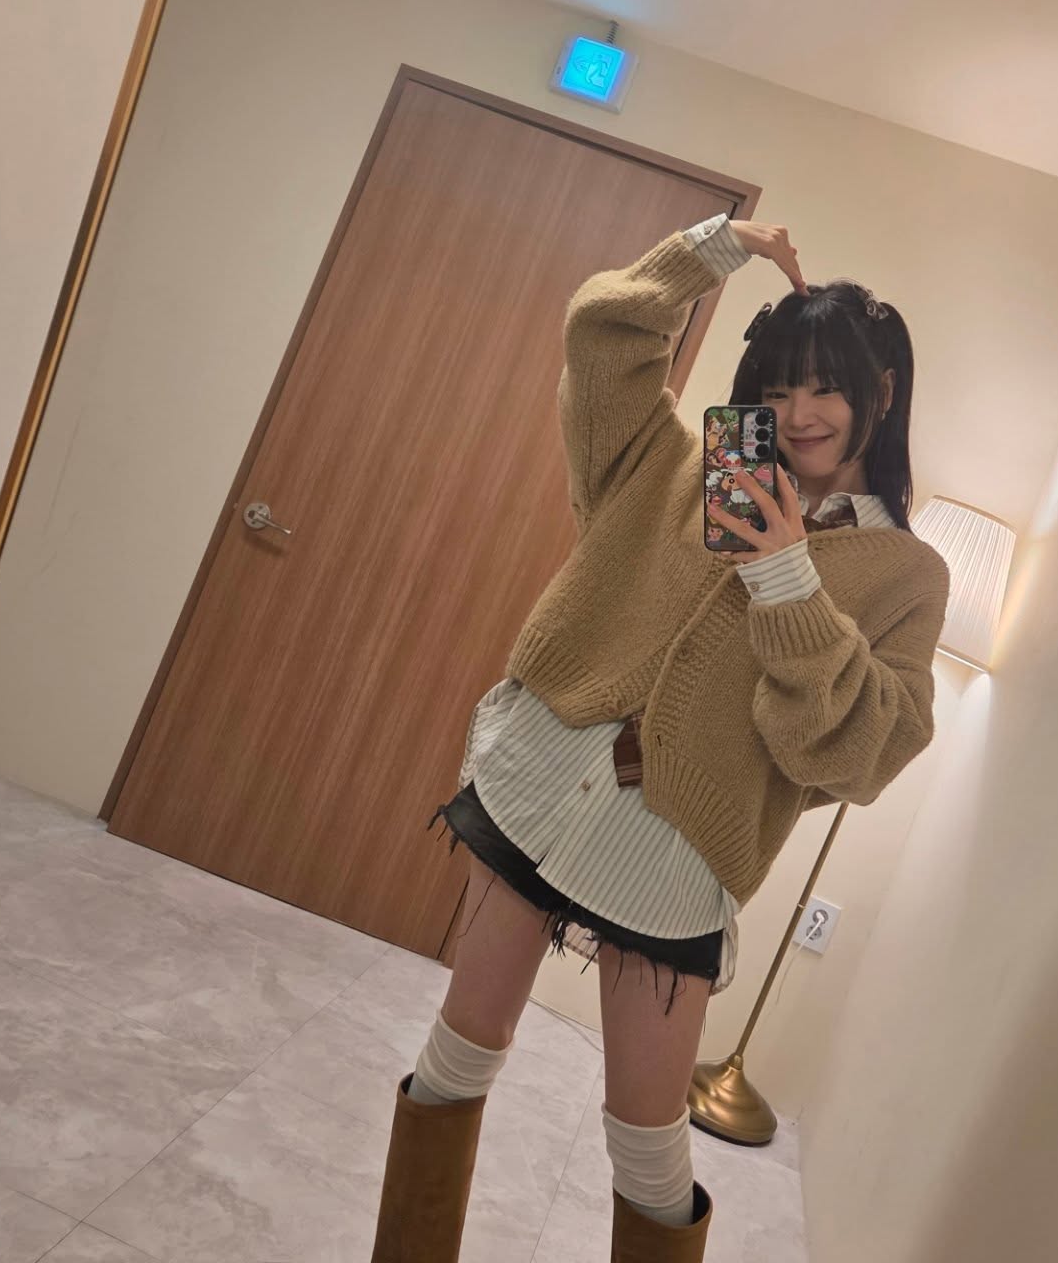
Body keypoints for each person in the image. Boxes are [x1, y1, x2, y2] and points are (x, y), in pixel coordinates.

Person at [370, 216, 950, 1262]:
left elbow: (861, 752)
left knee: (646, 1145)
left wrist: (786, 576)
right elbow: (599, 334)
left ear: (882, 392)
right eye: (778, 386)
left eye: (826, 387)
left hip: (675, 859)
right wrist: (716, 247)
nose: (799, 413)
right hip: (537, 782)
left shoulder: (908, 575)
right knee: (458, 1056)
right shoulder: (677, 462)